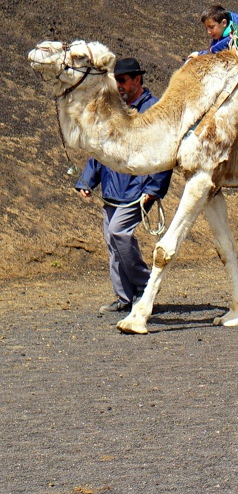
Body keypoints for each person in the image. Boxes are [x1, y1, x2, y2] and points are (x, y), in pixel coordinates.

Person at [74, 57, 173, 314]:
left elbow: (164, 152)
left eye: (122, 80)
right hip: (111, 187)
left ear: (137, 80)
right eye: (115, 80)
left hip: (137, 190)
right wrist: (87, 180)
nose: (118, 85)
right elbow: (101, 148)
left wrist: (153, 190)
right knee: (111, 241)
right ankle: (125, 298)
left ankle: (144, 285)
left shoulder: (154, 110)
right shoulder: (112, 108)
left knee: (119, 233)